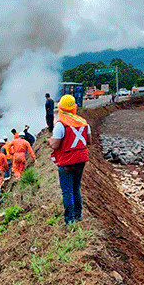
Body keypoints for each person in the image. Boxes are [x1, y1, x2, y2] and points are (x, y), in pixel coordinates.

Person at [48, 94, 91, 224]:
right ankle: (78, 216)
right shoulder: (84, 122)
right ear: (74, 107)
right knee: (76, 188)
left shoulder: (60, 125)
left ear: (61, 108)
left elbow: (55, 145)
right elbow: (89, 141)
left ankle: (69, 220)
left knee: (67, 191)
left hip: (66, 161)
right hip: (81, 160)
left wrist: (49, 141)